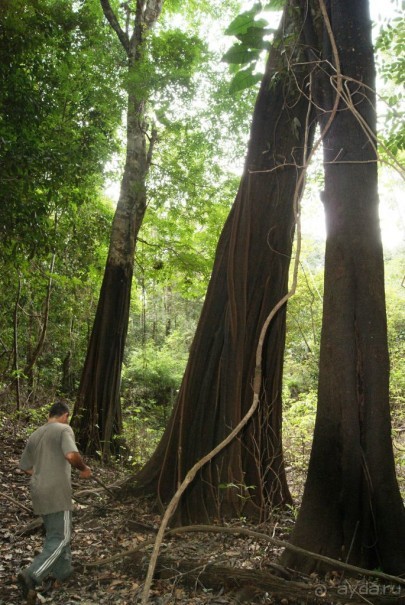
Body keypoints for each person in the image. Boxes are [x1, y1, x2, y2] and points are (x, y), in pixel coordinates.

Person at [17, 400, 92, 602]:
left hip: (39, 491)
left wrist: (42, 474)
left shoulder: (36, 434)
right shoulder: (63, 429)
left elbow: (25, 466)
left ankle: (63, 572)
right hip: (57, 492)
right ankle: (32, 574)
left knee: (55, 532)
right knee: (62, 537)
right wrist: (83, 469)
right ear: (65, 415)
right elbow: (71, 455)